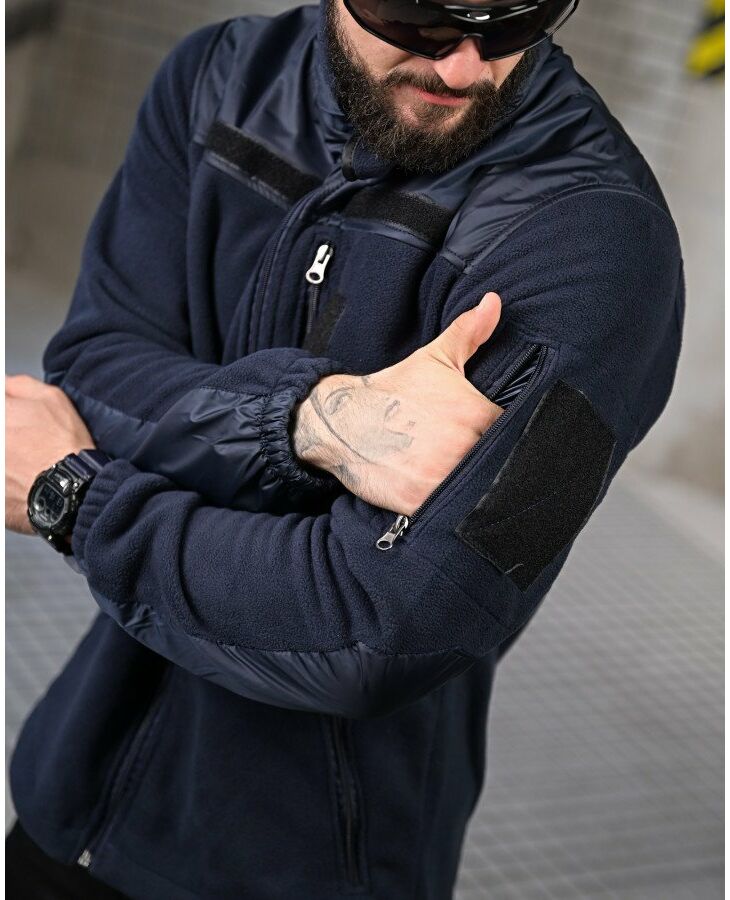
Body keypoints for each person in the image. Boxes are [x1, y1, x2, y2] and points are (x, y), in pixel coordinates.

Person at [5, 1, 684, 897]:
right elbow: (93, 367)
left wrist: (78, 500)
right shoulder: (219, 79)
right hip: (75, 794)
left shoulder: (597, 245)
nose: (466, 67)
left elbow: (376, 628)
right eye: (420, 15)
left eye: (518, 17)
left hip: (318, 864)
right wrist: (310, 418)